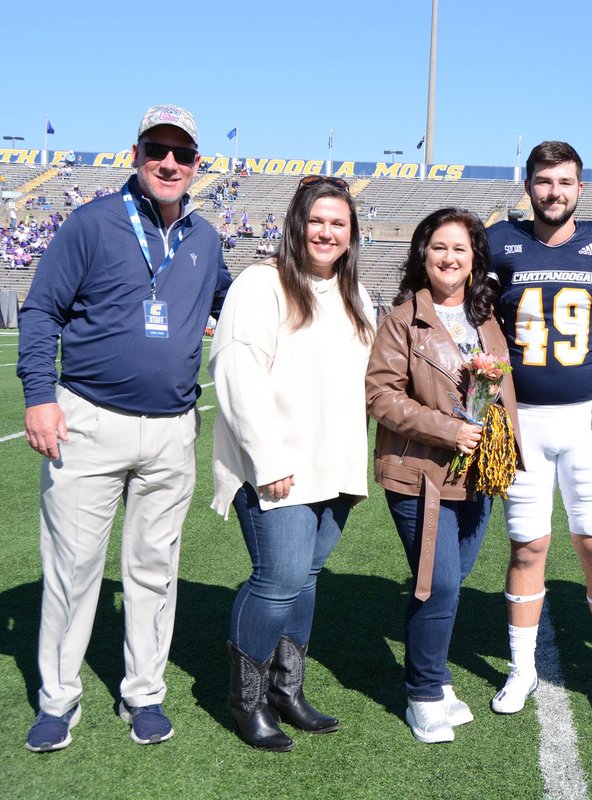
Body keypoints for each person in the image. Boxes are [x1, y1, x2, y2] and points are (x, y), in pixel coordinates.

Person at [17, 104, 231, 751]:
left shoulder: (206, 239)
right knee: (74, 569)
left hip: (171, 431)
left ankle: (144, 693)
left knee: (153, 569)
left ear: (198, 165)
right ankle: (58, 699)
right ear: (135, 154)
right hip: (88, 420)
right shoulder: (92, 223)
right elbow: (41, 311)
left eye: (182, 153)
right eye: (156, 149)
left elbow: (237, 309)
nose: (169, 163)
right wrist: (38, 395)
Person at [210, 175, 375, 752]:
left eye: (339, 223)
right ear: (296, 224)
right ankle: (245, 700)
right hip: (279, 464)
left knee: (305, 579)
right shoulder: (262, 283)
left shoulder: (356, 294)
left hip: (335, 465)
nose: (327, 232)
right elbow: (236, 372)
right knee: (277, 581)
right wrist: (267, 455)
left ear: (352, 233)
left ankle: (287, 689)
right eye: (317, 220)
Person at [486, 141, 592, 717]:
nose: (555, 192)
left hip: (587, 418)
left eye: (566, 182)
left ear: (581, 188)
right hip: (519, 419)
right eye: (545, 181)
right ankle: (521, 669)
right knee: (528, 546)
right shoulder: (500, 243)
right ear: (528, 185)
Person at [367, 207, 522, 743]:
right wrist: (445, 430)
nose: (449, 258)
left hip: (477, 476)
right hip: (421, 472)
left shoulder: (486, 318)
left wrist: (504, 452)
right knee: (441, 584)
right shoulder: (403, 318)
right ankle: (423, 692)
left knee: (448, 584)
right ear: (423, 254)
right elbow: (379, 394)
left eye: (461, 248)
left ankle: (435, 674)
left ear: (475, 257)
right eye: (439, 247)